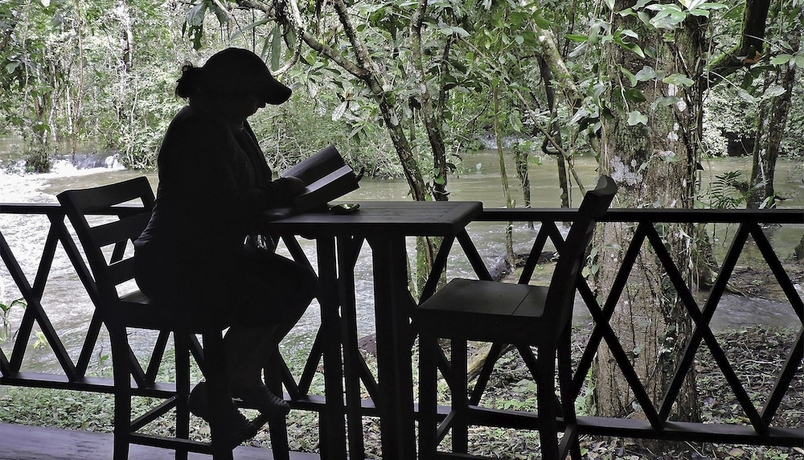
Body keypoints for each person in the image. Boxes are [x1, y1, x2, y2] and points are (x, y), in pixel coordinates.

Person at [133, 47, 318, 444]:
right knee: (276, 290)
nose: (257, 106)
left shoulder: (226, 123)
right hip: (175, 266)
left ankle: (233, 381)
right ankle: (221, 390)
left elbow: (242, 193)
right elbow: (229, 203)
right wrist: (285, 189)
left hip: (207, 255)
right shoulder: (200, 128)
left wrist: (279, 191)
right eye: (254, 97)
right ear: (228, 92)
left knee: (300, 282)